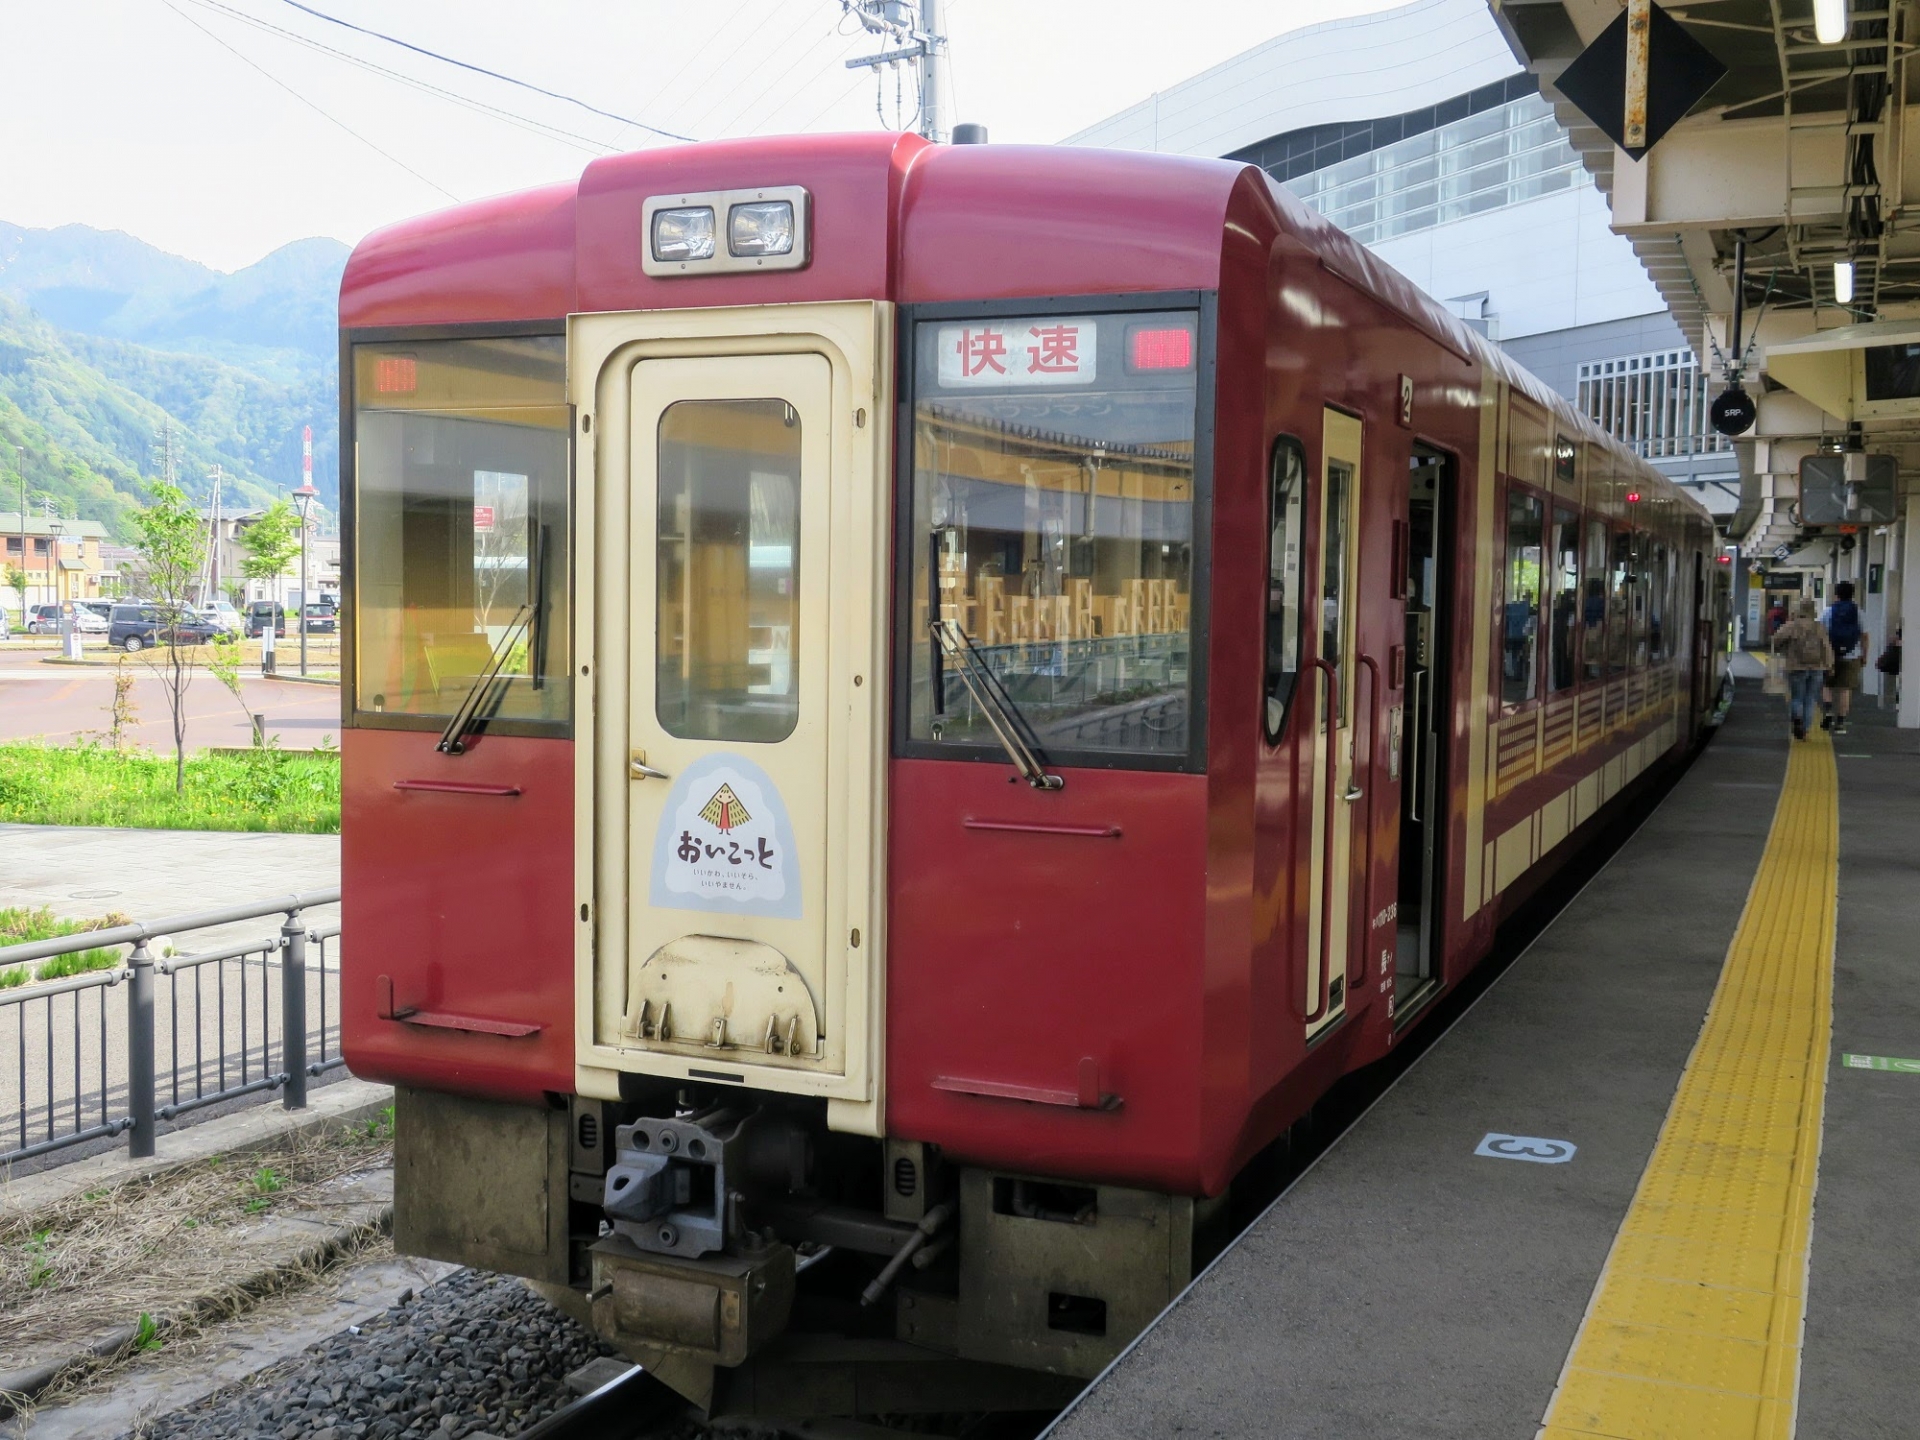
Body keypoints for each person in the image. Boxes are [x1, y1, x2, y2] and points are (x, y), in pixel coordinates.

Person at [1772, 598, 1833, 741]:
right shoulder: (1819, 627)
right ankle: (1804, 731)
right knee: (1810, 699)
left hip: (1796, 666)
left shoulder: (1792, 626)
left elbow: (1776, 639)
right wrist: (1829, 666)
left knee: (1797, 697)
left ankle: (1797, 719)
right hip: (1817, 667)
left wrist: (1784, 649)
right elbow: (1827, 648)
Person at [1819, 580, 1868, 735]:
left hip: (1829, 655)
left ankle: (1828, 711)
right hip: (1851, 655)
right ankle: (1840, 723)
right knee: (1845, 689)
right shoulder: (1859, 612)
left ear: (1836, 594)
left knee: (1827, 684)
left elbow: (1820, 634)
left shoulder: (1828, 611)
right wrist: (1864, 655)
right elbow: (1865, 636)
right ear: (1852, 594)